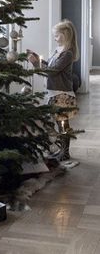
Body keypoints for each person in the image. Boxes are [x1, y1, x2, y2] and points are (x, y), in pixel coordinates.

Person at [27, 19, 79, 161]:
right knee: (58, 122)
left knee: (63, 123)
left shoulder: (67, 53)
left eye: (57, 35)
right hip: (54, 92)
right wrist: (38, 59)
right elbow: (49, 65)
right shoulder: (58, 51)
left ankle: (66, 152)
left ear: (65, 35)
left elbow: (53, 71)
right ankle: (62, 150)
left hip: (62, 93)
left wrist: (36, 63)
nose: (54, 38)